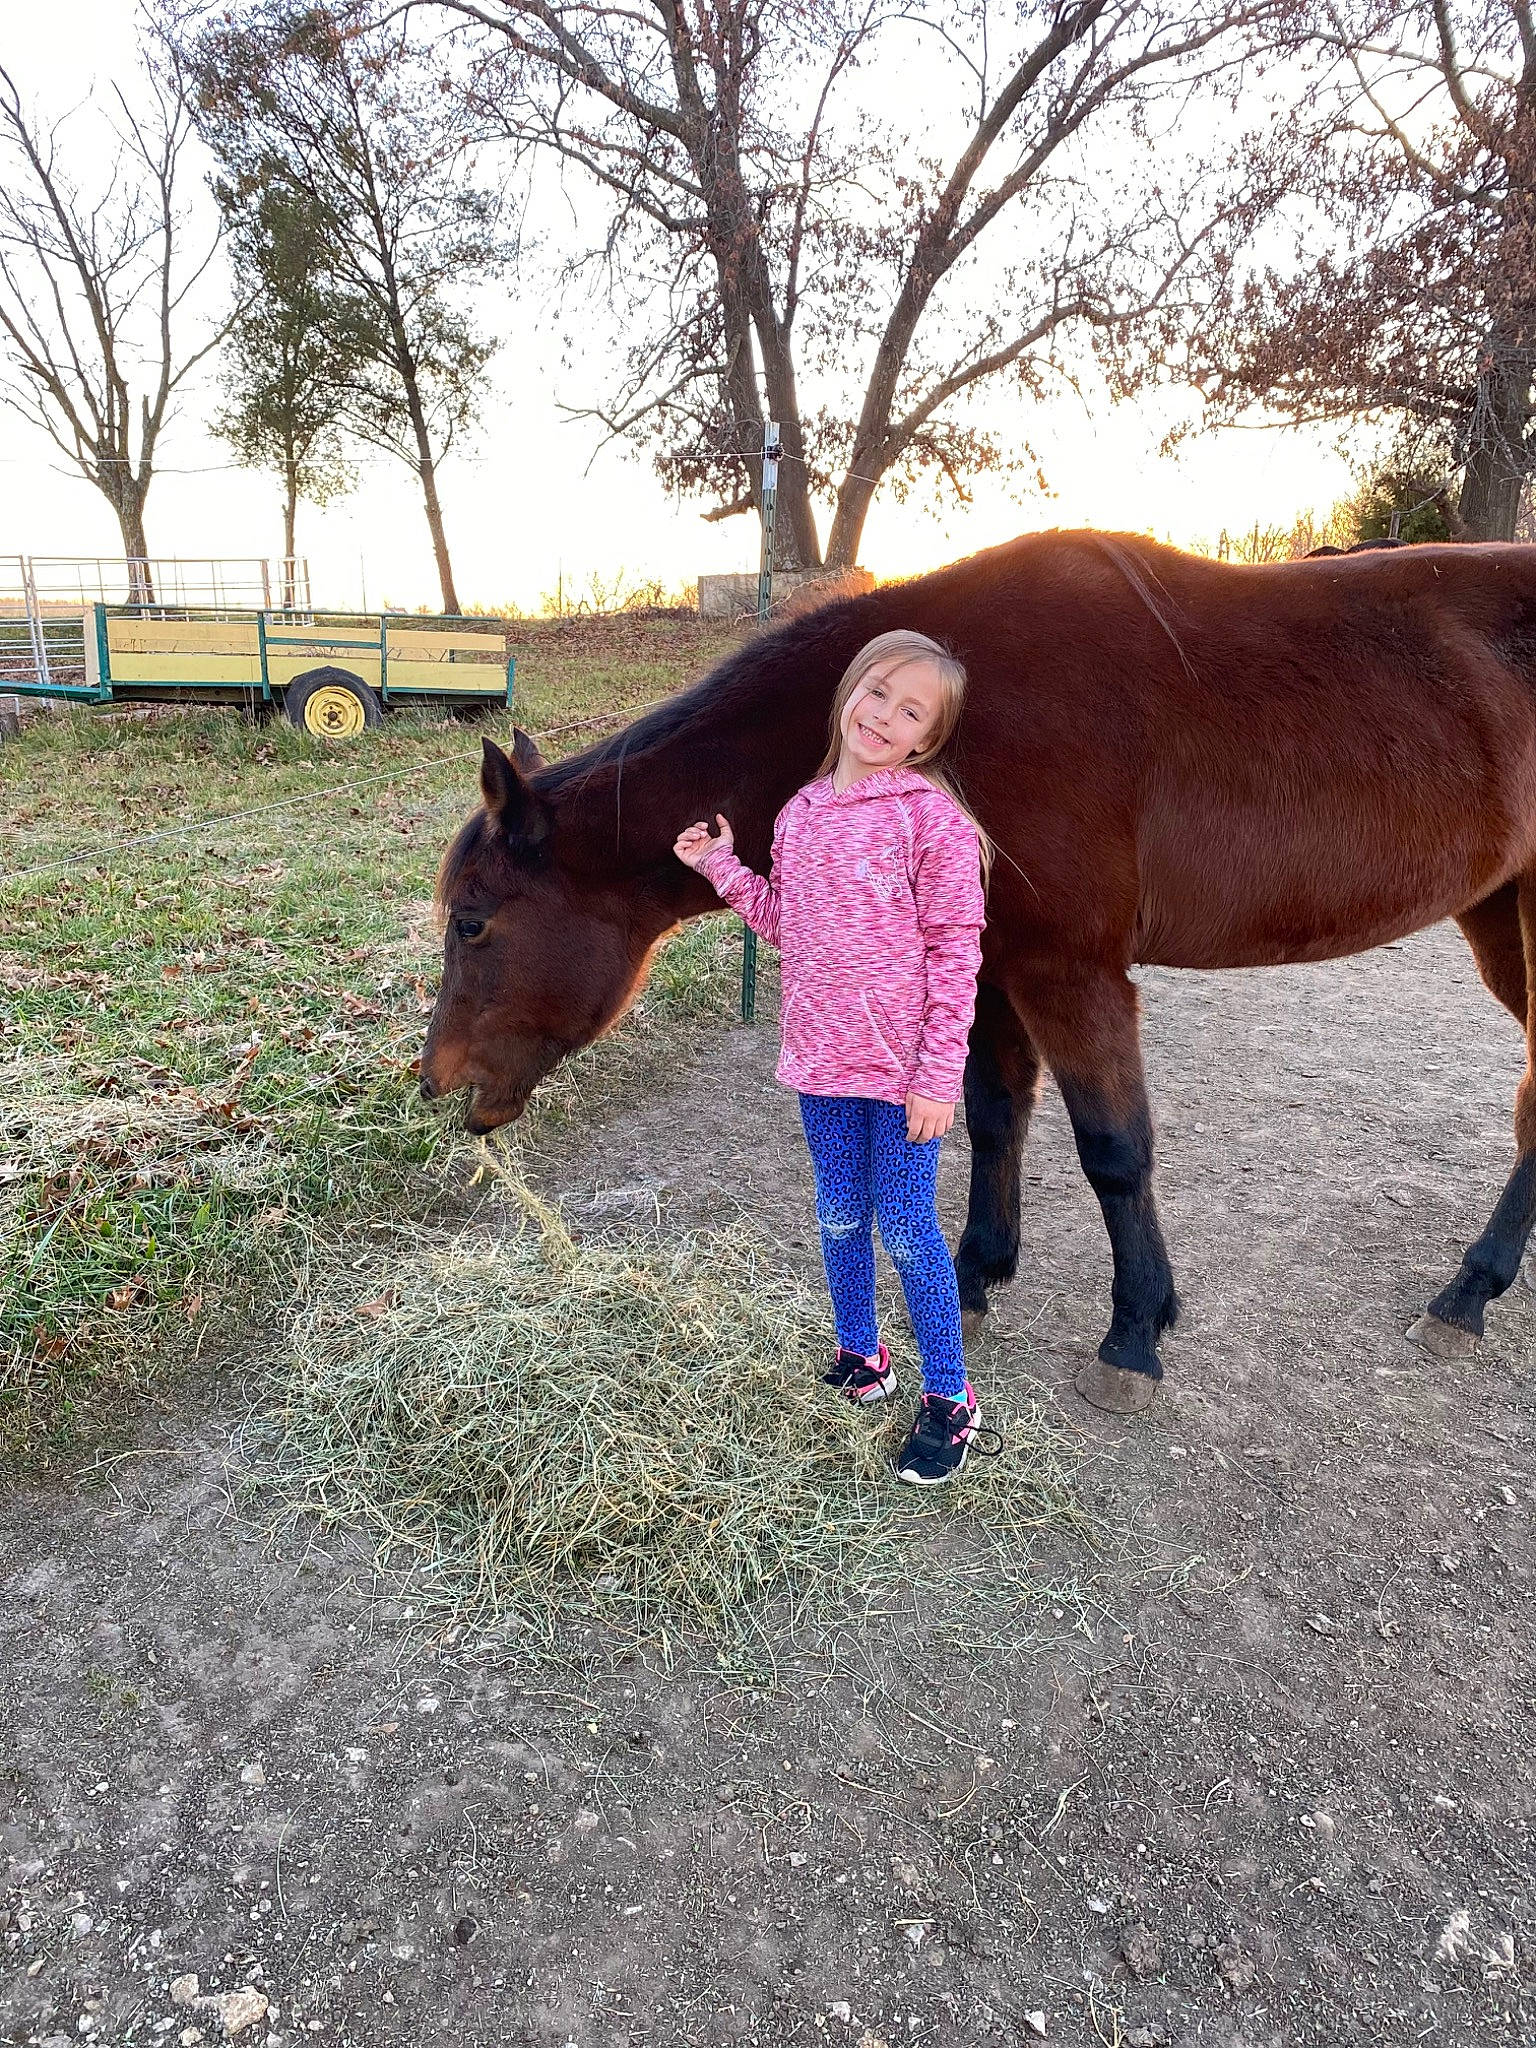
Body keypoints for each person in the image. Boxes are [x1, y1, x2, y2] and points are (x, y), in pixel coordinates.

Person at [674, 628, 997, 1486]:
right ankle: (864, 1356)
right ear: (850, 692)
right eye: (877, 692)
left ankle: (950, 1401)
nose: (885, 716)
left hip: (903, 1081)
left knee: (907, 1227)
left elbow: (957, 952)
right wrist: (721, 870)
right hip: (820, 1062)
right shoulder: (801, 813)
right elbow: (790, 925)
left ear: (928, 738)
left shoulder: (930, 820)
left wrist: (938, 1076)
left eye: (911, 710)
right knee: (839, 1215)